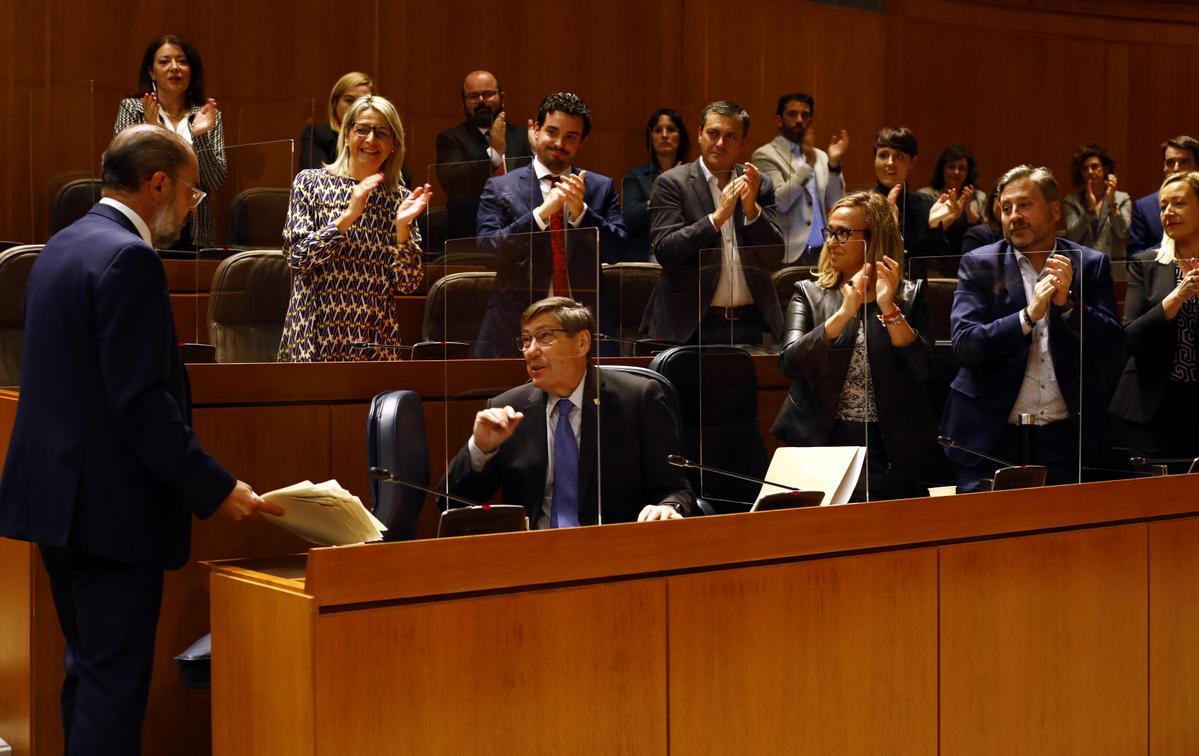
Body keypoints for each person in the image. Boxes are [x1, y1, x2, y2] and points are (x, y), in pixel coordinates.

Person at [0, 125, 282, 755]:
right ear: (157, 184)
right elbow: (142, 404)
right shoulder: (130, 258)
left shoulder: (61, 245)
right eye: (190, 193)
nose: (190, 208)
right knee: (112, 691)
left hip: (56, 505)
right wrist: (217, 489)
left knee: (88, 674)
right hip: (109, 512)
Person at [941, 165, 1124, 491]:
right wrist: (1026, 317)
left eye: (1024, 205)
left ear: (1054, 210)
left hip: (1066, 436)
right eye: (1006, 208)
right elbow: (965, 344)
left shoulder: (1089, 264)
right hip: (991, 435)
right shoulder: (979, 263)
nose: (1014, 216)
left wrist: (1068, 305)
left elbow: (1113, 344)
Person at [442, 297, 695, 526]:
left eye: (545, 337)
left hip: (613, 548)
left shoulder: (637, 399)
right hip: (533, 551)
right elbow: (450, 503)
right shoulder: (508, 409)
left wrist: (667, 508)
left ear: (581, 343)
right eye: (526, 340)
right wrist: (480, 449)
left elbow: (675, 490)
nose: (531, 351)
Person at [771, 191, 936, 500]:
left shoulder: (910, 295)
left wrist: (888, 308)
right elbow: (790, 363)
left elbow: (922, 369)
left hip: (889, 449)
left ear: (875, 238)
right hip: (821, 444)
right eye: (830, 231)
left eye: (843, 233)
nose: (831, 241)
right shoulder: (808, 293)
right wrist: (845, 312)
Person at [278, 95, 431, 362]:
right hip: (314, 338)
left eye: (382, 132)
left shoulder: (400, 199)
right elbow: (298, 258)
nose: (371, 139)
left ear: (394, 144)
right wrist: (349, 216)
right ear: (347, 135)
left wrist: (402, 228)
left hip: (374, 342)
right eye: (362, 129)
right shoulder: (310, 183)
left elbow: (408, 284)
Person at [473, 92, 627, 356]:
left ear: (582, 141)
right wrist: (540, 215)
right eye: (552, 132)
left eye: (571, 137)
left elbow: (618, 250)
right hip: (515, 327)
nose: (559, 143)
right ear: (536, 129)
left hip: (582, 328)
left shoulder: (600, 188)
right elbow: (488, 249)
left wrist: (582, 214)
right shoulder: (501, 186)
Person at [641, 100, 785, 346]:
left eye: (730, 136)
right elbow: (666, 250)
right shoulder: (671, 183)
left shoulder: (758, 184)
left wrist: (752, 211)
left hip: (749, 324)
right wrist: (716, 218)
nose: (720, 143)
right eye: (713, 133)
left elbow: (774, 256)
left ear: (742, 143)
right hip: (691, 326)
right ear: (699, 134)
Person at [1111, 171, 1199, 464]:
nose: (1168, 212)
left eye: (1178, 203)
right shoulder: (1145, 263)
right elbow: (1129, 337)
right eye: (1163, 206)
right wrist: (1177, 297)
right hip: (1152, 408)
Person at [113, 34, 225, 249]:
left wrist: (200, 136)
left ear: (192, 70)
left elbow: (212, 181)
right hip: (144, 222)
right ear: (151, 72)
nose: (175, 67)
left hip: (194, 229)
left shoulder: (208, 115)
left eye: (182, 61)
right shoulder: (133, 109)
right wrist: (154, 131)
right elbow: (122, 170)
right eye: (164, 61)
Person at [435, 70, 534, 243]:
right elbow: (454, 182)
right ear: (464, 103)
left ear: (502, 97)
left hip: (523, 235)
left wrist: (539, 150)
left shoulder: (524, 137)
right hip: (469, 237)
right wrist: (494, 153)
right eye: (473, 96)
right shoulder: (451, 139)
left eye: (488, 94)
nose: (481, 101)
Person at [751, 93, 848, 264]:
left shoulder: (821, 156)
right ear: (779, 120)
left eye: (805, 115)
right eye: (792, 114)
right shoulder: (765, 155)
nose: (799, 120)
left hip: (824, 250)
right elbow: (779, 202)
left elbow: (835, 202)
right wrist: (807, 166)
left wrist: (833, 164)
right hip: (789, 254)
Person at [299, 72, 414, 187]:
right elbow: (316, 180)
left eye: (381, 132)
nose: (371, 139)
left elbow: (401, 177)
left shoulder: (399, 193)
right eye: (349, 100)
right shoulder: (311, 178)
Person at [871, 127, 951, 261]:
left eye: (899, 156)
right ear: (875, 160)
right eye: (883, 155)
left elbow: (937, 264)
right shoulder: (860, 205)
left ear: (912, 162)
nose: (890, 163)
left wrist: (934, 227)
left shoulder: (927, 205)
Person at [622, 108, 690, 262]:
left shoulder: (692, 174)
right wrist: (663, 190)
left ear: (680, 136)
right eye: (658, 130)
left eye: (671, 129)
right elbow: (629, 220)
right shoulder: (635, 176)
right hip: (646, 257)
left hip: (684, 256)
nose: (664, 135)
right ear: (650, 137)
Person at [1061, 142, 1132, 262]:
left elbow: (1123, 233)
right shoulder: (1072, 201)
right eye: (1085, 168)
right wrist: (1089, 210)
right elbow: (1072, 237)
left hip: (1114, 265)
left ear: (1105, 169)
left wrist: (1111, 203)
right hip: (1084, 264)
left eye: (1094, 167)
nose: (1090, 172)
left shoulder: (1122, 198)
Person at [1128, 136, 1199, 256]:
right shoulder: (1144, 207)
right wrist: (1172, 242)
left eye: (1184, 162)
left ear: (1197, 165)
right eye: (1170, 162)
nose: (1176, 168)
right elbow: (1135, 257)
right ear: (1164, 167)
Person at [917, 144, 987, 254]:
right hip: (935, 257)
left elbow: (986, 236)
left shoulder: (980, 198)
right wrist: (953, 215)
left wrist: (968, 210)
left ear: (968, 173)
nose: (956, 172)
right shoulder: (924, 195)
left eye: (962, 168)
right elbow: (923, 236)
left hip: (971, 256)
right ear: (942, 169)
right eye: (951, 167)